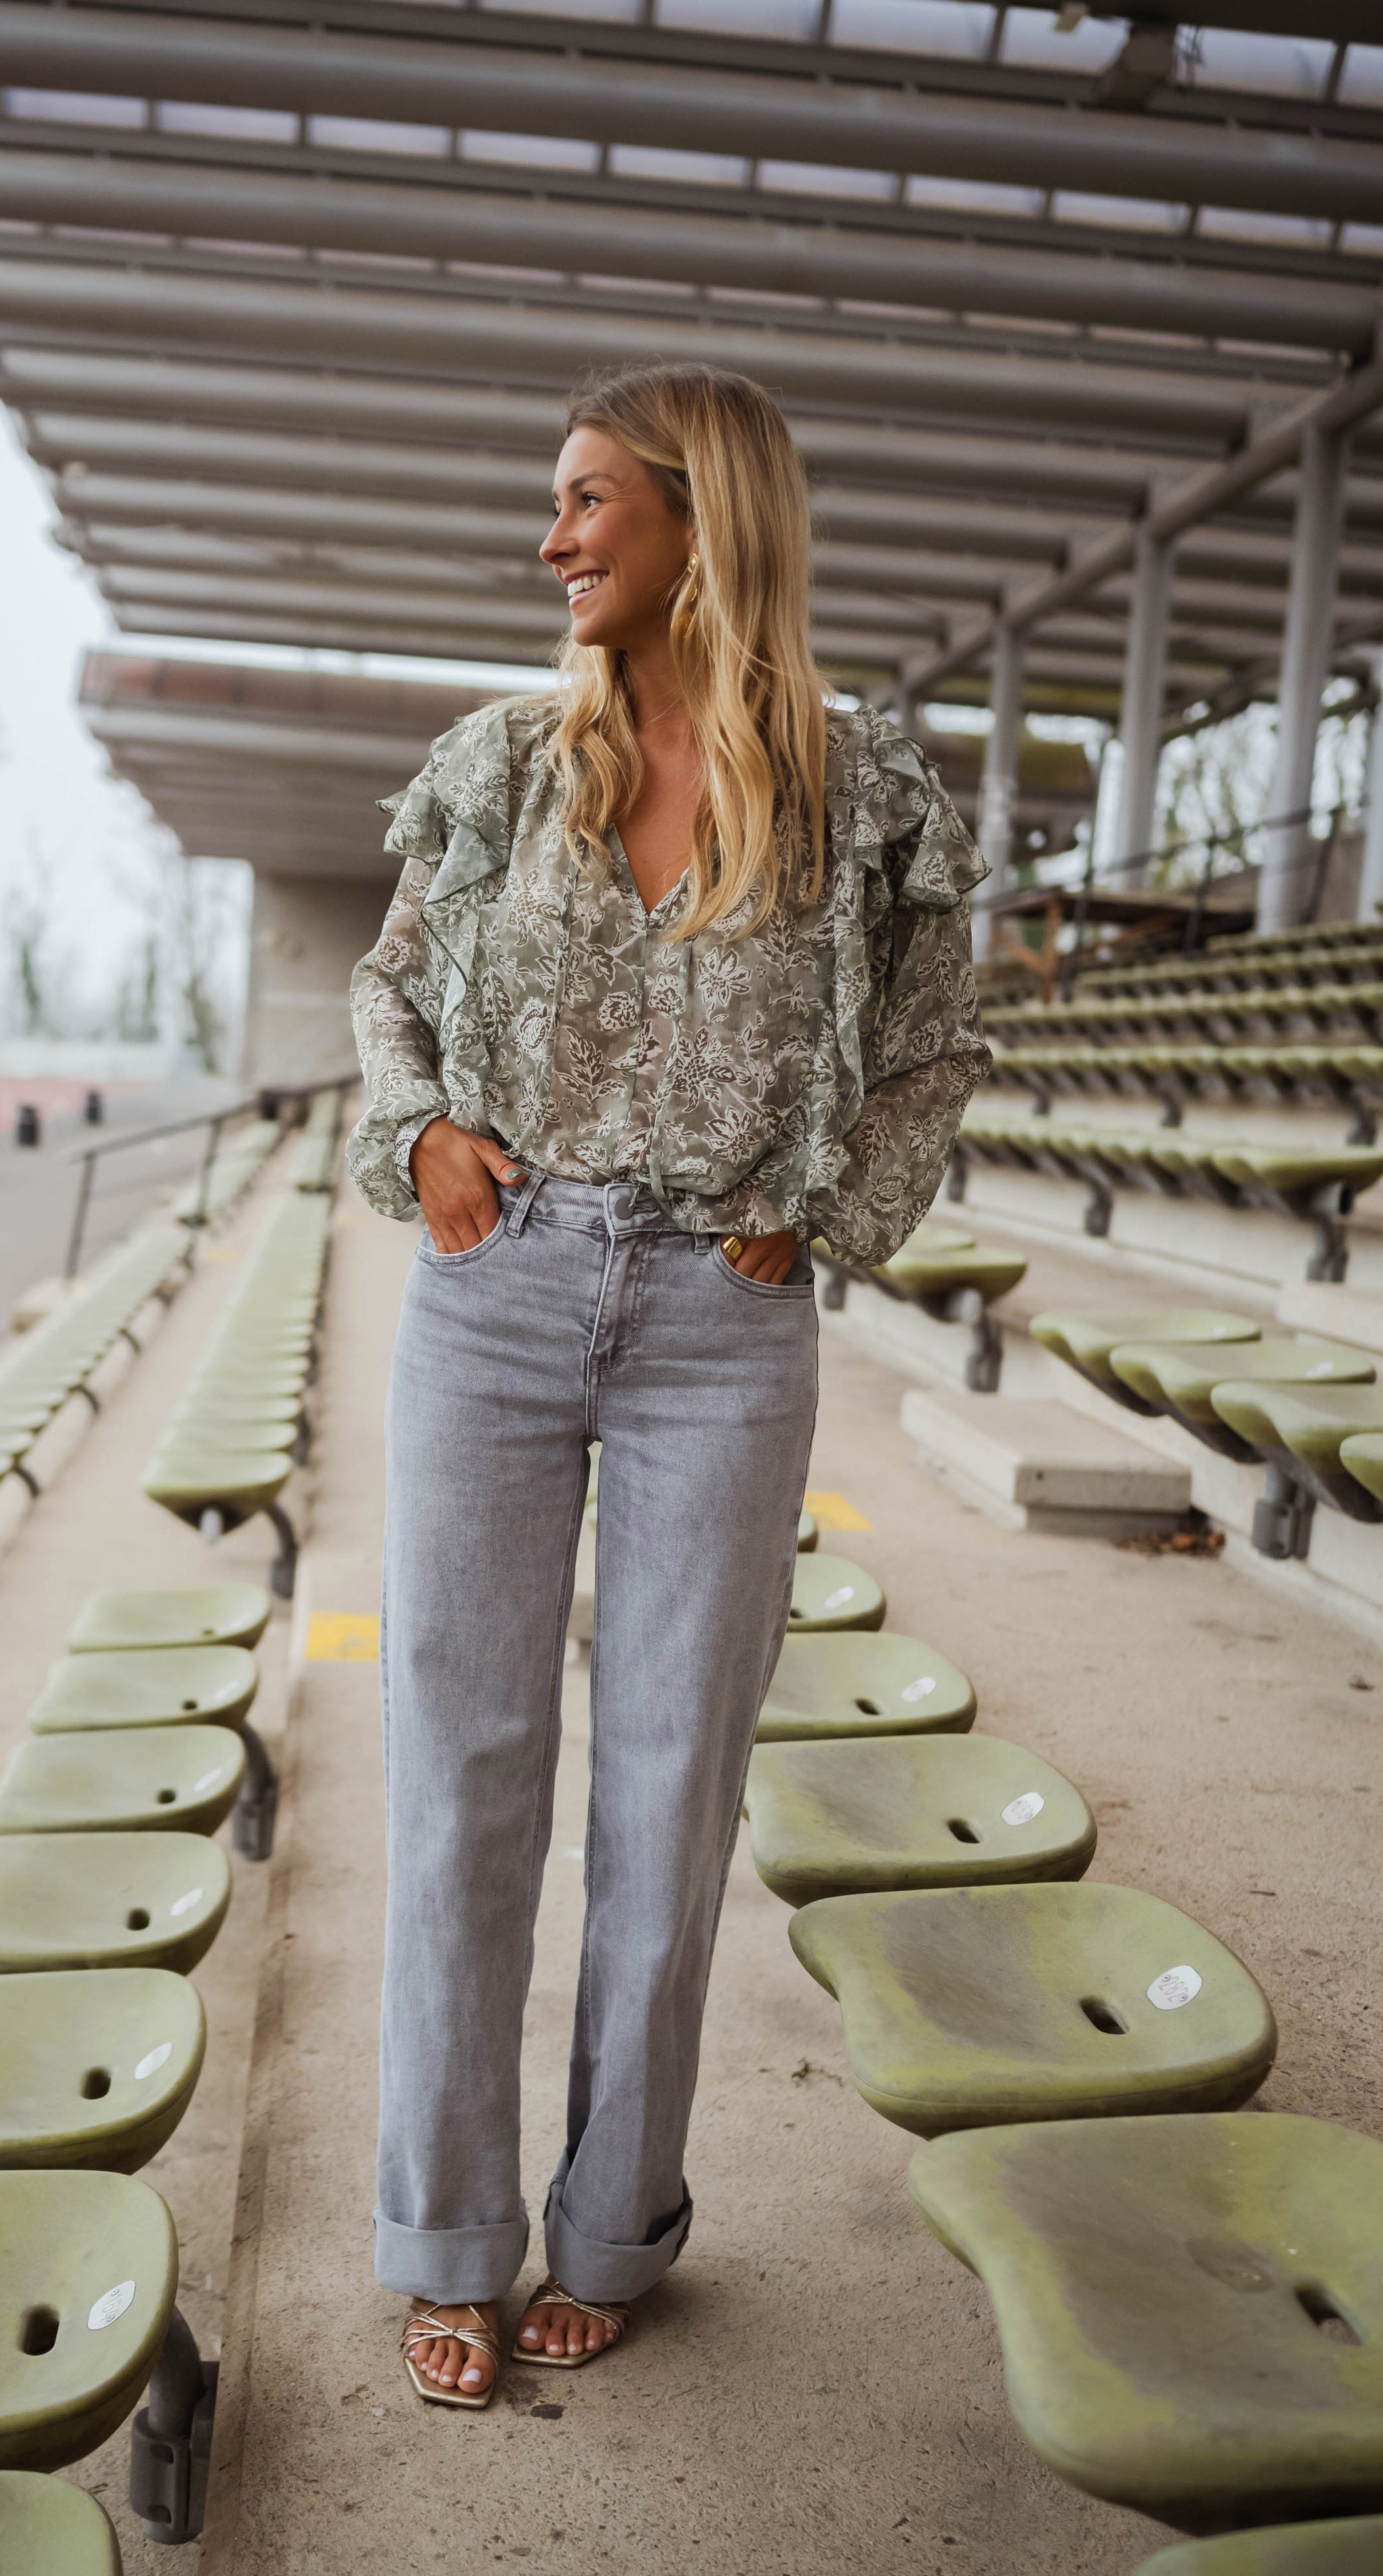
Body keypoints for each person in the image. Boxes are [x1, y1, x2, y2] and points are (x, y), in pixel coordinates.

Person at [347, 360, 990, 2410]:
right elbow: (384, 987)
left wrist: (832, 1217)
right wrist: (420, 1132)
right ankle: (446, 2232)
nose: (549, 543)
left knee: (667, 1795)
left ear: (701, 520)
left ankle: (613, 2224)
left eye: (583, 503)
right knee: (462, 1775)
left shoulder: (867, 790)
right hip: (496, 1287)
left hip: (725, 1315)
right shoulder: (490, 768)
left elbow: (929, 1047)